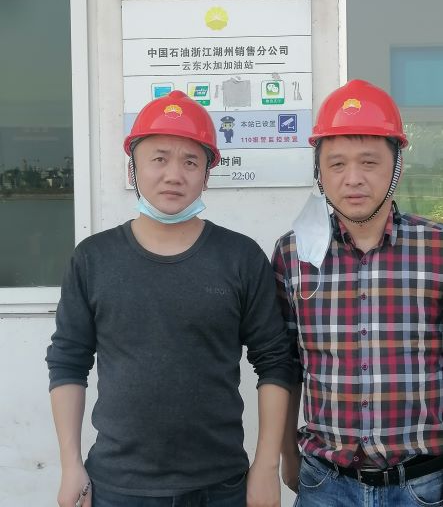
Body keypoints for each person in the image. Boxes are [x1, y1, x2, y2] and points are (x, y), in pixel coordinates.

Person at [46, 90, 293, 507]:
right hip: (117, 487)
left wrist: (266, 467)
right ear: (134, 168)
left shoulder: (240, 257)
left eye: (190, 162)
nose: (174, 175)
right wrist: (70, 465)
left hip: (220, 486)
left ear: (207, 175)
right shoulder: (93, 258)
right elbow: (68, 361)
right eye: (159, 159)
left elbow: (275, 361)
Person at [272, 79, 443, 506]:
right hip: (326, 483)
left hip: (423, 484)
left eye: (369, 162)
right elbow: (286, 365)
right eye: (337, 164)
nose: (353, 179)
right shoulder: (293, 254)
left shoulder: (436, 248)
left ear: (396, 165)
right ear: (319, 170)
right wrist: (286, 452)